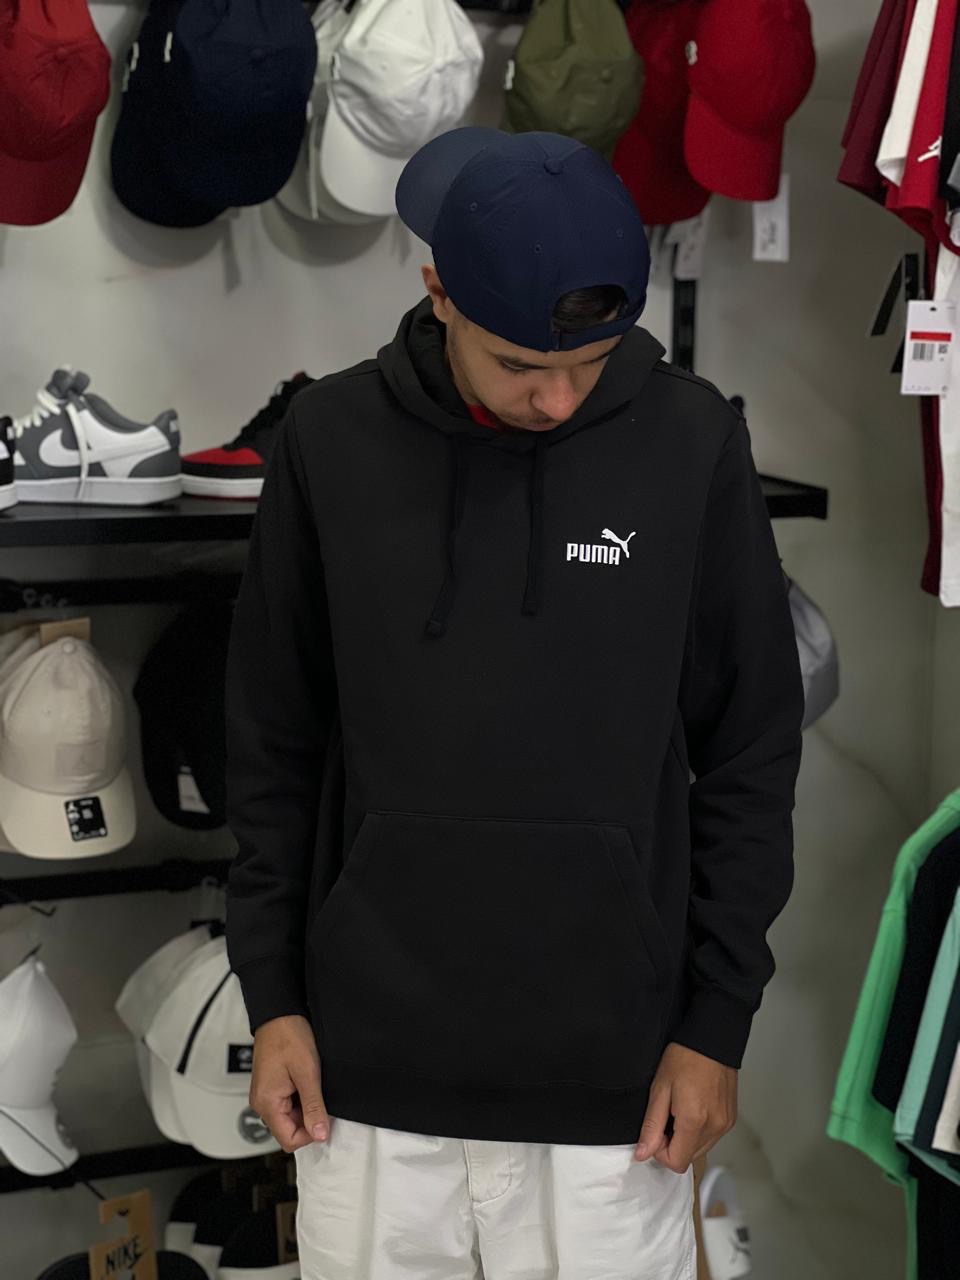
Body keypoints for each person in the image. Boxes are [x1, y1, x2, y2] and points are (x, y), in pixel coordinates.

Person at [223, 126, 806, 1279]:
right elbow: (272, 738)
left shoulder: (692, 441)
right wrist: (272, 996)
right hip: (365, 1076)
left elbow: (750, 744)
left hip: (617, 1079)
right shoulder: (329, 441)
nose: (558, 398)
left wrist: (717, 1019)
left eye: (590, 364)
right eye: (520, 365)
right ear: (438, 290)